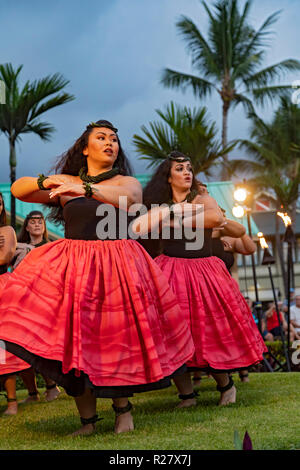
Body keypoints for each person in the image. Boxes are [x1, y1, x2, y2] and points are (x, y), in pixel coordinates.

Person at [0, 120, 194, 435]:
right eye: (101, 138)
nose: (110, 143)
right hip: (75, 268)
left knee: (115, 340)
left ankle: (123, 413)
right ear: (85, 148)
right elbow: (19, 189)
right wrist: (56, 180)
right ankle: (87, 422)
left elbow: (131, 201)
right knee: (77, 343)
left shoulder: (126, 182)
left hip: (118, 266)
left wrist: (85, 187)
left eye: (114, 139)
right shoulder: (66, 183)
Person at [133, 152, 267, 407]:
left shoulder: (203, 198)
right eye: (180, 169)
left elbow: (215, 219)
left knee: (209, 330)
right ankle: (186, 394)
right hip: (170, 270)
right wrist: (172, 212)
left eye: (189, 168)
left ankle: (226, 386)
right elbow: (139, 227)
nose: (187, 173)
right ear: (168, 177)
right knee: (171, 331)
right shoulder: (159, 203)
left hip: (203, 270)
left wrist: (169, 218)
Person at [13, 211, 61, 403]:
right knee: (21, 347)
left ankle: (52, 387)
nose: (36, 224)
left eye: (40, 221)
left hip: (45, 302)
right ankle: (33, 392)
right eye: (32, 222)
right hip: (23, 301)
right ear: (26, 226)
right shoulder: (17, 248)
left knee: (44, 347)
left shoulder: (52, 247)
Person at [0, 192, 31, 415]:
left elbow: (4, 257)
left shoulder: (6, 231)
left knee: (5, 343)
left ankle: (13, 400)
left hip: (3, 286)